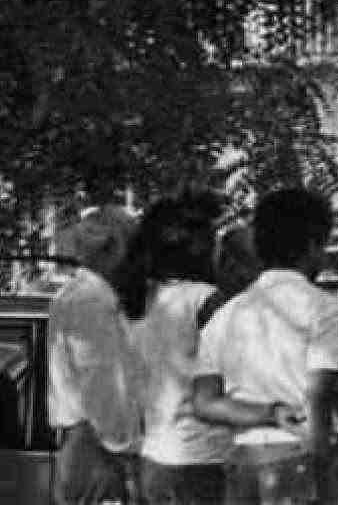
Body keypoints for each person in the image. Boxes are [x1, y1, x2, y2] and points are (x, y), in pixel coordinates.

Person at [191, 188, 338, 504]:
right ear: (311, 246)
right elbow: (318, 396)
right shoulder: (326, 308)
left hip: (244, 460)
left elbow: (205, 403)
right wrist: (328, 475)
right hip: (302, 458)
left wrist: (269, 413)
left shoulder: (226, 315)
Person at [113, 193, 230, 505]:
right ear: (199, 246)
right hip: (203, 459)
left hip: (153, 457)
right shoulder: (205, 300)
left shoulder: (135, 301)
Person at [51, 204, 144, 505]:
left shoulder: (77, 294)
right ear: (114, 249)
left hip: (86, 443)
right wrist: (124, 451)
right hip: (98, 449)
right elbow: (103, 385)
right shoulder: (94, 301)